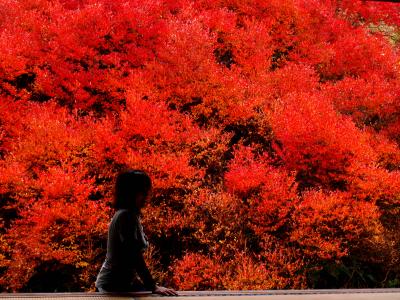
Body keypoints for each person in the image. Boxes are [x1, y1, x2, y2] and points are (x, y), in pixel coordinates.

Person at [95, 170, 178, 296]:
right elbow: (134, 255)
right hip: (112, 285)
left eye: (146, 191)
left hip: (117, 283)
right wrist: (152, 286)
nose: (146, 196)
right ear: (130, 193)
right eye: (142, 192)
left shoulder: (126, 215)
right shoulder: (126, 217)